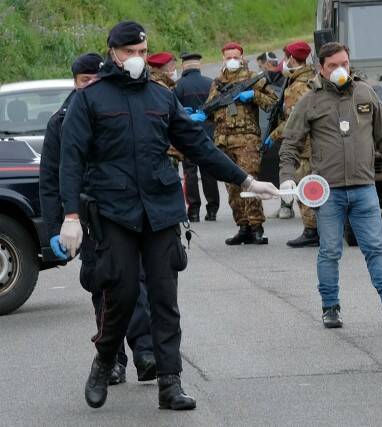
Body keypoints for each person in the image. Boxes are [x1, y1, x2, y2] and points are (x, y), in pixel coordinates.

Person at [58, 21, 279, 410]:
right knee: (123, 294)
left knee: (164, 297)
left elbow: (198, 146)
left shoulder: (161, 98)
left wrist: (246, 179)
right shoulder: (90, 99)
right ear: (112, 53)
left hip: (160, 210)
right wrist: (71, 215)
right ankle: (105, 359)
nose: (137, 60)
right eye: (129, 53)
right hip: (113, 211)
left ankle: (170, 382)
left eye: (143, 52)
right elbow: (70, 160)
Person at [280, 42, 382, 329]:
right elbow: (290, 143)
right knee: (330, 250)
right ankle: (330, 307)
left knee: (374, 248)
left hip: (363, 187)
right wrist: (287, 180)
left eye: (344, 63)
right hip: (327, 192)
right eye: (333, 65)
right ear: (321, 67)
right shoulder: (311, 101)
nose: (340, 69)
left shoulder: (365, 93)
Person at [40, 52, 157, 386]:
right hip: (85, 220)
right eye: (84, 81)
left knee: (137, 281)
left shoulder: (117, 112)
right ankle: (114, 359)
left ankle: (145, 351)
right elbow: (49, 181)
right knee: (102, 286)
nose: (90, 86)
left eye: (95, 80)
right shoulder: (60, 123)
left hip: (123, 212)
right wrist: (54, 232)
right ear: (75, 82)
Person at [204, 41, 277, 245]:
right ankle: (243, 226)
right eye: (228, 57)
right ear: (223, 58)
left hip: (247, 140)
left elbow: (272, 102)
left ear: (242, 57)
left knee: (250, 182)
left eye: (235, 56)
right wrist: (204, 115)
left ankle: (256, 227)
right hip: (223, 140)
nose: (232, 60)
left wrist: (254, 95)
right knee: (232, 186)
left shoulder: (253, 78)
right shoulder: (217, 82)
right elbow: (212, 110)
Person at [265, 41, 318, 247]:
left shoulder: (297, 86)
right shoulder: (310, 77)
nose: (284, 62)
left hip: (303, 147)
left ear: (292, 60)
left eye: (286, 58)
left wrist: (275, 133)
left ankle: (312, 230)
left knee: (304, 188)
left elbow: (294, 120)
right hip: (311, 145)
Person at [174, 52, 219, 222]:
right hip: (208, 134)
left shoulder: (179, 86)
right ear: (199, 66)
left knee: (190, 173)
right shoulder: (210, 83)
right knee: (209, 171)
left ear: (183, 66)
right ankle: (212, 208)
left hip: (187, 135)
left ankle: (193, 210)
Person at [147, 52, 184, 166]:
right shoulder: (161, 88)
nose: (174, 70)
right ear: (166, 69)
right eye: (173, 66)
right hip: (165, 150)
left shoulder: (154, 84)